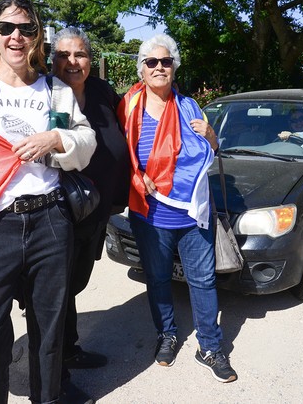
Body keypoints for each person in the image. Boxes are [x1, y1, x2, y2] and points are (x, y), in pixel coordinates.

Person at [0, 0, 96, 404]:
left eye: (26, 29)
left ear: (37, 37)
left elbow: (86, 140)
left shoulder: (55, 91)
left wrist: (56, 138)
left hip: (49, 221)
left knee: (49, 334)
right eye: (7, 28)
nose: (16, 36)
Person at [117, 34, 238, 383]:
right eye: (151, 62)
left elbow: (211, 154)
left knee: (202, 281)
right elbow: (117, 156)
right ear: (141, 69)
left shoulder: (189, 108)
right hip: (149, 215)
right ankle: (167, 335)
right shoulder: (128, 109)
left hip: (192, 215)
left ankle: (210, 347)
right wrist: (136, 179)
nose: (159, 67)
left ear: (174, 67)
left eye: (165, 62)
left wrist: (212, 136)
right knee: (157, 279)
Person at [51, 27, 130, 403]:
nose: (73, 62)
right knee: (56, 288)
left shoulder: (101, 91)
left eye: (80, 54)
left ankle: (68, 346)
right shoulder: (47, 94)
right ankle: (56, 369)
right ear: (52, 59)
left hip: (97, 210)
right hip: (59, 211)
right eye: (64, 54)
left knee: (76, 282)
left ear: (90, 58)